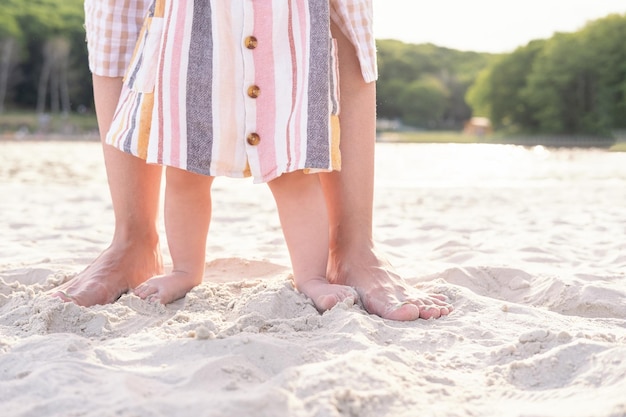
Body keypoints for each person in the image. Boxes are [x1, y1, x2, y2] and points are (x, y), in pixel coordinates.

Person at [53, 0, 452, 320]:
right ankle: (181, 267)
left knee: (294, 168)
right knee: (185, 167)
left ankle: (315, 272)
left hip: (283, 35)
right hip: (192, 35)